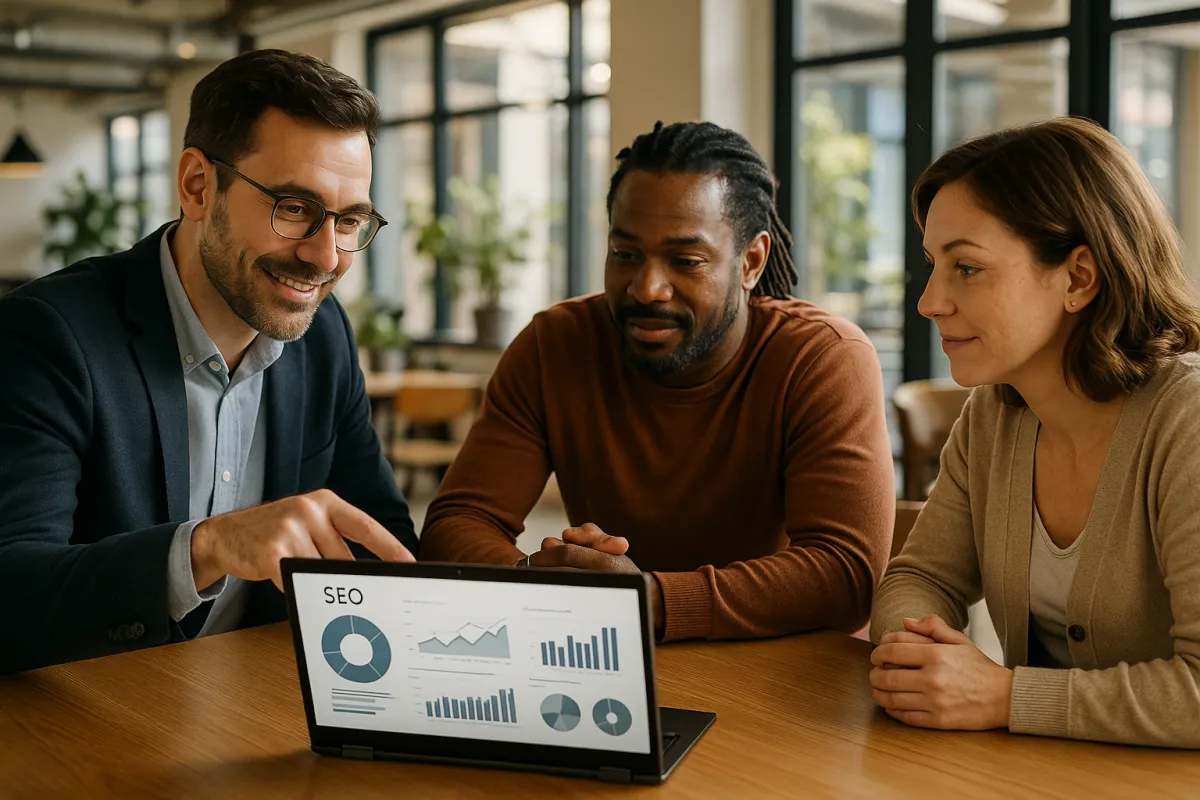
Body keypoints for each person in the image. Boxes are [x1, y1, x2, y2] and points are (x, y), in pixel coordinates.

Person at [0, 49, 417, 674]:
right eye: (294, 208)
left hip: (251, 704)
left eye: (351, 218)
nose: (325, 255)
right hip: (91, 719)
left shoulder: (324, 334)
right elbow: (11, 591)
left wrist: (529, 585)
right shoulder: (50, 336)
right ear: (198, 185)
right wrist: (208, 547)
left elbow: (383, 543)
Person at [420, 121, 895, 642]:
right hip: (606, 663)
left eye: (685, 261)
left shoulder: (822, 357)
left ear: (751, 262)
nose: (647, 288)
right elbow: (457, 520)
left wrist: (651, 600)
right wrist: (534, 584)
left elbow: (847, 577)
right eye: (625, 255)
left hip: (784, 671)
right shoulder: (554, 345)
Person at [869, 117, 1200, 749]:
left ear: (1079, 277)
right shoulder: (997, 414)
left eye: (966, 267)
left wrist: (1002, 695)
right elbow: (921, 577)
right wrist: (922, 654)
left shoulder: (1187, 422)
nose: (929, 301)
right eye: (933, 264)